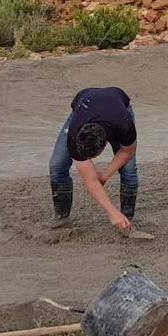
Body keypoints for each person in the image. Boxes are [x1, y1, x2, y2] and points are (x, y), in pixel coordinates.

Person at [49, 87, 139, 233]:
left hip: (118, 103)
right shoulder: (75, 135)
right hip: (84, 104)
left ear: (105, 146)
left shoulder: (124, 124)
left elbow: (128, 151)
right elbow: (90, 179)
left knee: (129, 170)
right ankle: (62, 218)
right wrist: (112, 212)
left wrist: (104, 175)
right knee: (57, 165)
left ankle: (126, 220)